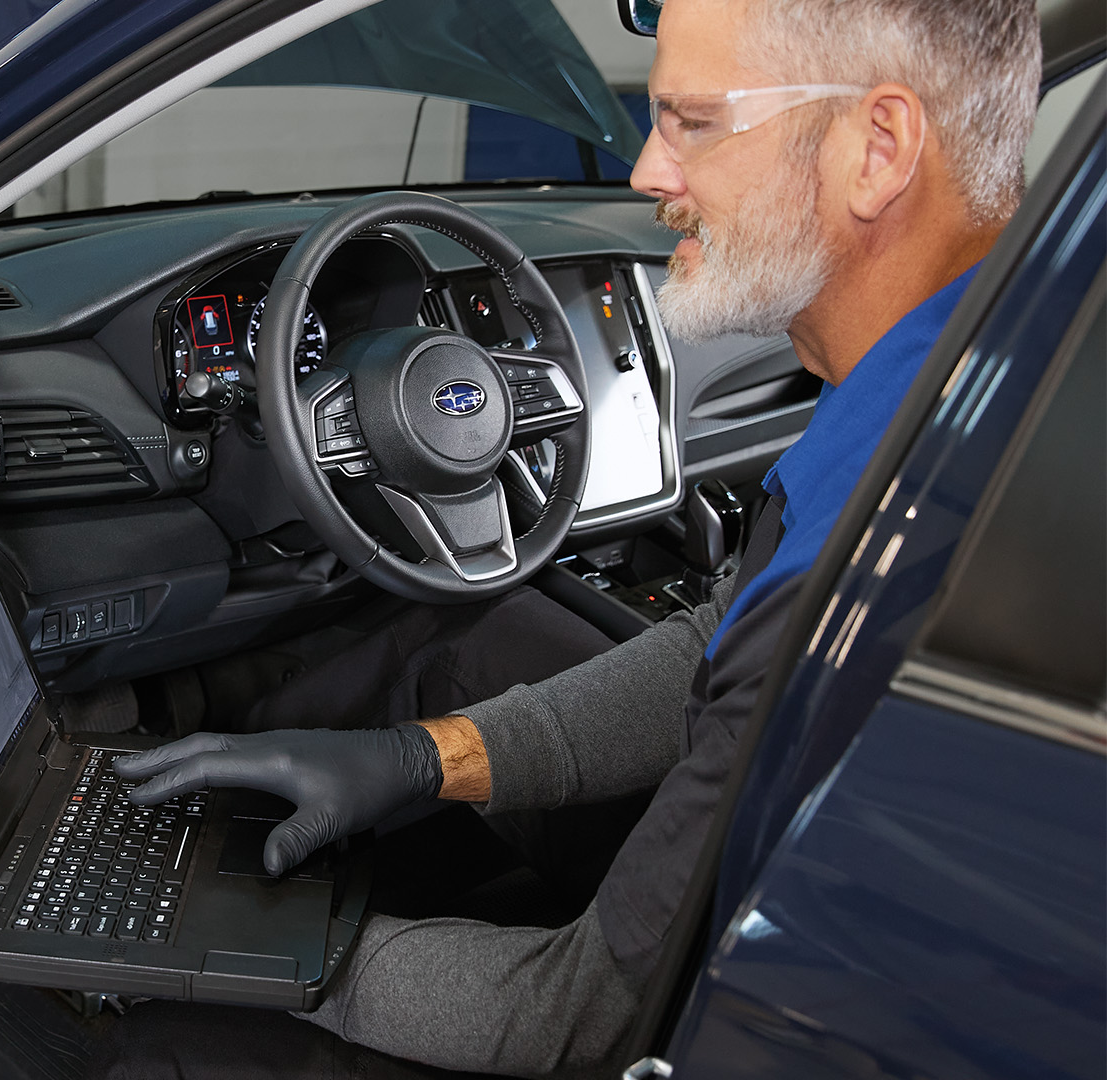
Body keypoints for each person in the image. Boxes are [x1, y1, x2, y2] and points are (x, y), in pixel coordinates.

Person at [107, 0, 1043, 1075]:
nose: (647, 170)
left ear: (877, 150)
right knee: (461, 642)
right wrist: (422, 760)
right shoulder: (965, 373)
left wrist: (221, 950)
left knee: (171, 1044)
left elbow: (580, 1018)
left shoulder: (876, 551)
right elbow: (716, 641)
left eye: (692, 122)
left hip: (719, 1016)